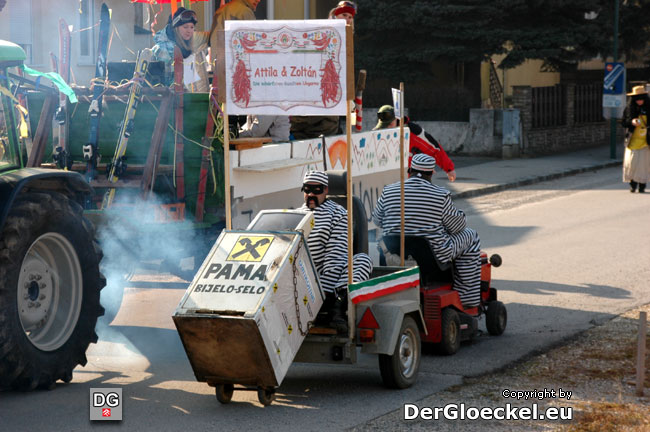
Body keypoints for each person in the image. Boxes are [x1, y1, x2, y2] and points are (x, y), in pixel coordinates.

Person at [372, 154, 481, 307]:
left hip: (394, 255)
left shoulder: (388, 191)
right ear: (431, 174)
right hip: (432, 261)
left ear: (409, 170)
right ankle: (466, 298)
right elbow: (457, 227)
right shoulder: (440, 195)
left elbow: (377, 220)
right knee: (471, 235)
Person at [299, 170, 372, 332]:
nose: (310, 194)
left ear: (325, 190)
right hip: (301, 278)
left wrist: (320, 295)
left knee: (362, 260)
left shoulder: (339, 214)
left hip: (327, 284)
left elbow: (336, 256)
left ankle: (337, 309)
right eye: (306, 189)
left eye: (316, 190)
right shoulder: (296, 215)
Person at [373, 105, 457, 182]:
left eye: (390, 124)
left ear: (397, 120)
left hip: (410, 179)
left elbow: (434, 148)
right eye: (384, 125)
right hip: (386, 179)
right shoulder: (377, 132)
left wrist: (449, 169)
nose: (387, 128)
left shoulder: (413, 131)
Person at [152, 7, 210, 92]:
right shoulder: (162, 49)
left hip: (190, 97)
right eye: (185, 27)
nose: (189, 31)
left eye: (192, 27)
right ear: (176, 28)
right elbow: (162, 82)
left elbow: (213, 36)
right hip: (169, 98)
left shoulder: (192, 43)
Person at [621, 85, 650, 193]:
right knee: (631, 164)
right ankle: (633, 184)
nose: (639, 101)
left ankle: (642, 185)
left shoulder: (649, 108)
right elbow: (623, 122)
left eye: (641, 99)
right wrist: (631, 122)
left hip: (646, 141)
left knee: (643, 165)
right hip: (632, 141)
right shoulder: (629, 109)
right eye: (637, 99)